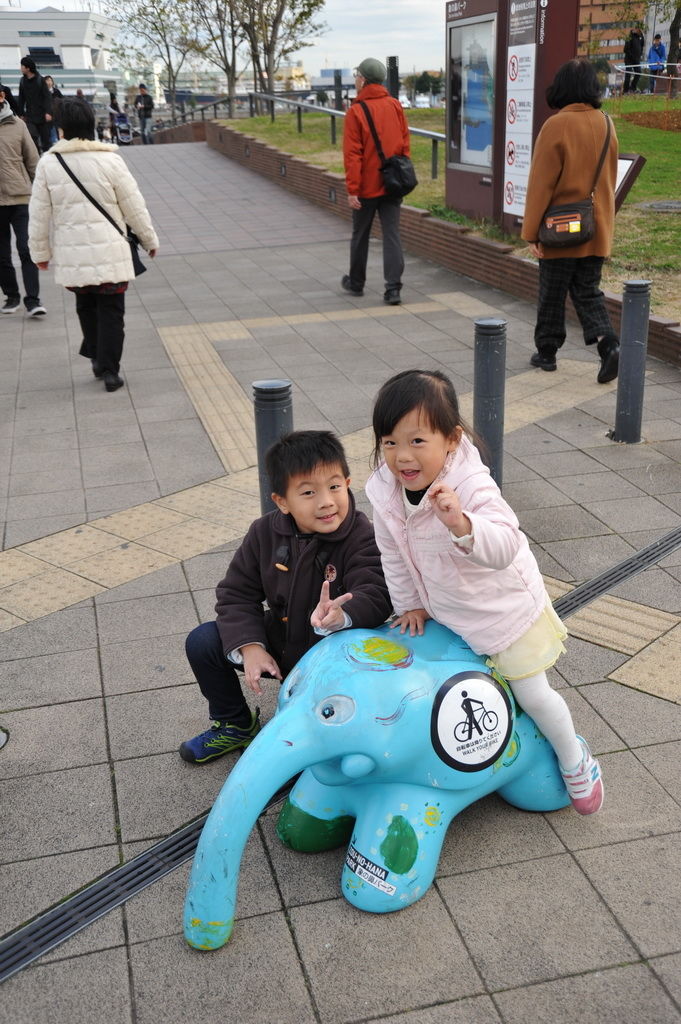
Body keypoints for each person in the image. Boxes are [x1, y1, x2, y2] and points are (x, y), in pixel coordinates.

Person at [366, 369, 604, 816]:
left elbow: (506, 545)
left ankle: (576, 761)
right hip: (447, 612)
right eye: (389, 442)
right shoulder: (385, 492)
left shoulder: (471, 485)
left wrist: (461, 524)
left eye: (418, 441)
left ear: (451, 440)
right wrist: (409, 605)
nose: (402, 457)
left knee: (532, 694)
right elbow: (391, 554)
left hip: (502, 613)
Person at [180, 430, 392, 764]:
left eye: (335, 487)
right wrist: (251, 647)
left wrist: (343, 615)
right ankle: (235, 724)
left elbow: (378, 592)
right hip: (283, 641)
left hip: (334, 654)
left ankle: (333, 739)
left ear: (348, 483)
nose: (326, 501)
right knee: (204, 641)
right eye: (308, 492)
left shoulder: (362, 535)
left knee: (313, 746)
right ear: (282, 502)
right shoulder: (264, 533)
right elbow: (236, 593)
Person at [28, 97, 158, 392]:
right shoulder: (110, 159)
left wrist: (40, 253)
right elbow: (133, 206)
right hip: (111, 250)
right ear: (91, 125)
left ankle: (98, 360)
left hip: (74, 254)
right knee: (112, 310)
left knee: (85, 304)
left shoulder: (50, 162)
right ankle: (110, 370)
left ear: (61, 128)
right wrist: (149, 239)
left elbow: (38, 214)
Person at [520, 59, 619, 384]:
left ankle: (547, 353)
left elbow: (541, 184)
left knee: (552, 291)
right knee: (587, 290)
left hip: (562, 229)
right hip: (595, 227)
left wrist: (531, 231)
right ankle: (608, 344)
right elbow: (609, 180)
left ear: (560, 88)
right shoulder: (606, 123)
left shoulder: (556, 126)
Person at [342, 58, 410, 306]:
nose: (355, 79)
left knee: (360, 234)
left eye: (357, 75)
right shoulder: (395, 105)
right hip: (392, 183)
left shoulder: (356, 112)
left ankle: (356, 283)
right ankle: (393, 289)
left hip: (366, 187)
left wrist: (353, 190)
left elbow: (353, 155)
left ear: (363, 79)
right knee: (392, 235)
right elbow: (404, 144)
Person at [0, 83, 46, 317]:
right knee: (2, 255)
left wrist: (39, 193)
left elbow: (32, 160)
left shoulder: (18, 125)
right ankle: (12, 296)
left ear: (2, 96)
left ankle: (33, 300)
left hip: (20, 198)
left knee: (26, 248)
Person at [18, 56, 53, 154]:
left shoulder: (40, 80)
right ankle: (37, 158)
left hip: (42, 115)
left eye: (22, 66)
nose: (20, 68)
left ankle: (47, 158)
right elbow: (21, 98)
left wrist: (48, 112)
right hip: (30, 116)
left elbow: (47, 97)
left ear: (28, 68)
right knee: (32, 139)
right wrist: (21, 114)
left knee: (46, 141)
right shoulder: (22, 81)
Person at [623, 27, 644, 93]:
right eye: (639, 29)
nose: (640, 31)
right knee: (628, 74)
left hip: (636, 59)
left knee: (638, 72)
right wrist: (632, 56)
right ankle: (625, 90)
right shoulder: (630, 37)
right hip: (629, 59)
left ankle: (633, 87)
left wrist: (640, 54)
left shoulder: (641, 37)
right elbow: (626, 49)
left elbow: (642, 46)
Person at [43, 75, 62, 144]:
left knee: (57, 132)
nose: (49, 82)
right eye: (47, 80)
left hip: (56, 115)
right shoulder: (42, 92)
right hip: (46, 116)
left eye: (50, 80)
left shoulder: (57, 91)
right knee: (48, 134)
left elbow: (62, 101)